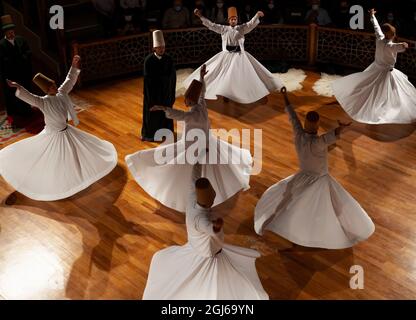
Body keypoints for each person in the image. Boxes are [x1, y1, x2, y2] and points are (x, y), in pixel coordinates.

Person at [254, 87, 375, 249]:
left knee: (298, 206)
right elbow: (331, 136)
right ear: (317, 126)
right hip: (319, 180)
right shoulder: (318, 143)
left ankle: (296, 230)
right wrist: (342, 128)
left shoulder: (299, 135)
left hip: (302, 177)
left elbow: (292, 117)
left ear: (305, 124)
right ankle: (311, 233)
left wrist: (285, 96)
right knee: (327, 207)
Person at [125, 65, 252, 213]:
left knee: (182, 169)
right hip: (207, 143)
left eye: (188, 101)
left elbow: (177, 114)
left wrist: (162, 108)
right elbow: (202, 92)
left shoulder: (191, 116)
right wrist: (202, 78)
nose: (186, 103)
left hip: (193, 146)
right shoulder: (202, 105)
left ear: (190, 102)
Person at [143, 162, 269, 300]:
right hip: (206, 254)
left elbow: (194, 177)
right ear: (210, 200)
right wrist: (216, 227)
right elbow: (208, 228)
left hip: (198, 247)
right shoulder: (200, 219)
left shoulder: (192, 197)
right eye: (212, 198)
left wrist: (198, 161)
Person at [0, 55, 118, 201]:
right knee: (56, 159)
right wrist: (18, 87)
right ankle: (59, 181)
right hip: (54, 135)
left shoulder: (61, 93)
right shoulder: (43, 102)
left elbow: (69, 81)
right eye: (52, 87)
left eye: (55, 85)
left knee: (76, 152)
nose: (55, 87)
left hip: (67, 131)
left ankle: (77, 175)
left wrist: (74, 66)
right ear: (47, 89)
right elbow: (29, 96)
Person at [184, 7, 284, 104]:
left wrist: (257, 15)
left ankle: (254, 92)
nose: (233, 21)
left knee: (245, 76)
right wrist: (200, 16)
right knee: (224, 76)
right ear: (228, 20)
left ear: (237, 20)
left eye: (235, 19)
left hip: (239, 56)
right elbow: (211, 25)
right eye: (231, 19)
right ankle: (225, 94)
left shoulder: (241, 28)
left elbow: (250, 24)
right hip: (226, 56)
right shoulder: (223, 29)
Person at [332, 9, 416, 124]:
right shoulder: (392, 46)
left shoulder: (380, 39)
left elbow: (376, 27)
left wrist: (372, 16)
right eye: (393, 34)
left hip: (376, 68)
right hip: (385, 72)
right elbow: (402, 47)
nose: (394, 35)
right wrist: (405, 45)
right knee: (380, 90)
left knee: (371, 87)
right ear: (390, 35)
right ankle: (379, 106)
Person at [0, 15, 35, 127]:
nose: (11, 33)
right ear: (5, 33)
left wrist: (22, 58)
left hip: (23, 72)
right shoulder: (1, 44)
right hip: (11, 74)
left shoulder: (21, 40)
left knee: (25, 90)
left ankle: (27, 110)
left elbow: (28, 52)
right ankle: (16, 114)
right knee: (13, 94)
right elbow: (2, 61)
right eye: (9, 32)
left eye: (12, 31)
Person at [141, 30, 176, 142]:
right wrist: (150, 101)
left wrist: (171, 95)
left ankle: (166, 132)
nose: (162, 50)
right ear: (154, 48)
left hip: (165, 92)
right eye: (159, 47)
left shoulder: (169, 59)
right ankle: (150, 135)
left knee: (166, 114)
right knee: (153, 115)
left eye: (163, 47)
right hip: (153, 93)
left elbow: (173, 78)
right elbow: (147, 82)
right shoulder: (148, 61)